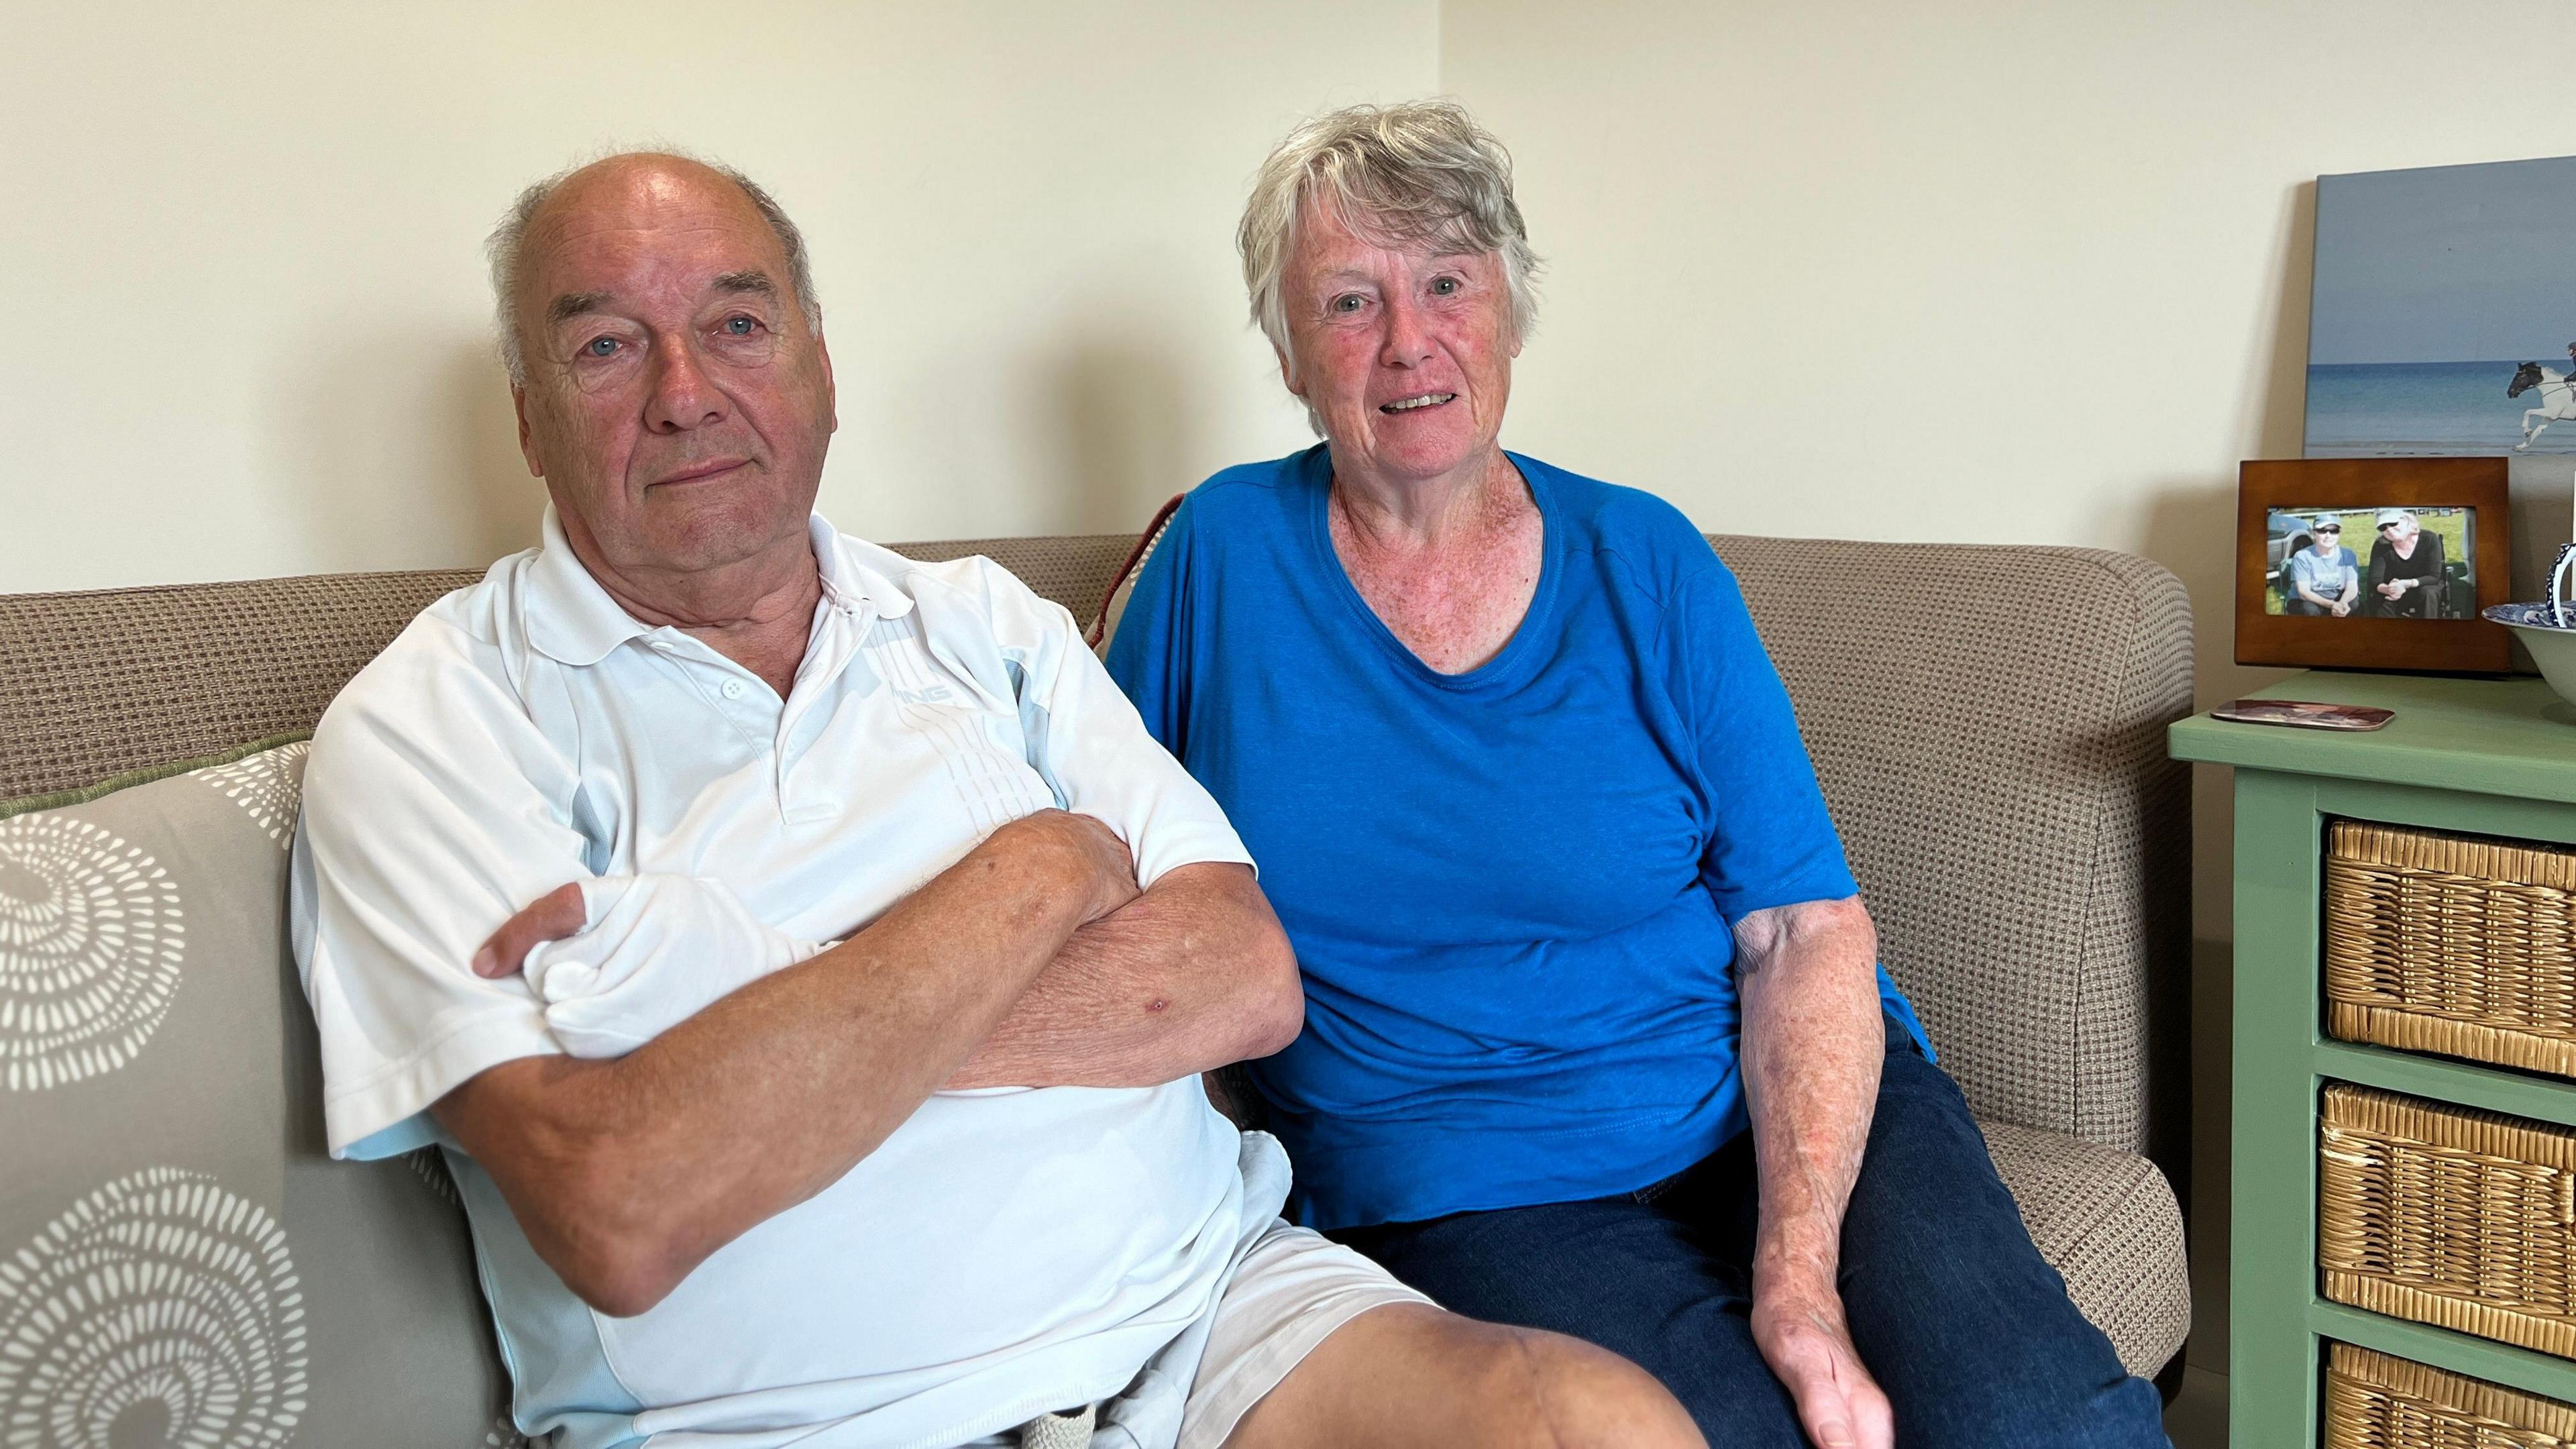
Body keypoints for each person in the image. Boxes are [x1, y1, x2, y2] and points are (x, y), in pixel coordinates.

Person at [291, 150, 1701, 1449]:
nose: (682, 390)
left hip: (1213, 1322)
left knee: (1597, 1425)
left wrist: (732, 1044)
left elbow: (1243, 979)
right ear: (528, 417)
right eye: (604, 344)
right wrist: (1044, 871)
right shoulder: (432, 724)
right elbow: (621, 1203)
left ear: (821, 365)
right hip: (800, 1422)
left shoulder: (983, 625)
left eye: (737, 325)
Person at [1105, 101, 2169, 1448]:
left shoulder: (1644, 558)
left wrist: (1799, 1288)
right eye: (1348, 300)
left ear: (1509, 308)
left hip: (1768, 1089)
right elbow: (1092, 845)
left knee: (2036, 1420)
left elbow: (1802, 924)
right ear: (1286, 348)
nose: (1408, 339)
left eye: (1447, 282)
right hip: (1463, 1171)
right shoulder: (1218, 561)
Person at [2365, 508, 2449, 619]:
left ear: (2406, 520)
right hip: (2395, 589)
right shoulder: (2380, 545)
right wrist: (2389, 589)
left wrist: (2406, 583)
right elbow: (2375, 580)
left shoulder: (2429, 539)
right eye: (2383, 527)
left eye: (2393, 523)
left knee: (2428, 592)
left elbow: (2434, 576)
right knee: (2380, 598)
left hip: (2423, 585)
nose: (2389, 529)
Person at [2284, 515, 2359, 616]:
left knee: (2354, 607)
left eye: (2334, 531)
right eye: (2322, 531)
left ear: (2339, 534)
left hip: (2337, 598)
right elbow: (2304, 592)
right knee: (2310, 611)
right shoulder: (2302, 557)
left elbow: (2352, 588)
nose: (2328, 535)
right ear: (2314, 533)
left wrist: (2343, 603)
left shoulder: (2348, 555)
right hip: (2308, 600)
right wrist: (2332, 605)